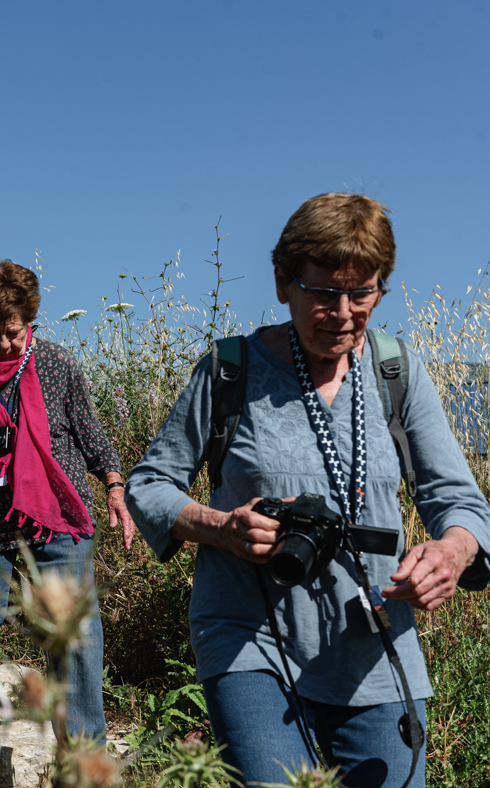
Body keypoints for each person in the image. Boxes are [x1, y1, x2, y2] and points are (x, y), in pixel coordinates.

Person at [125, 193, 490, 787]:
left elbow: (461, 501)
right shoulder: (229, 370)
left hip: (372, 646)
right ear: (282, 283)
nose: (343, 313)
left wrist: (453, 551)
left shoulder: (398, 373)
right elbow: (150, 484)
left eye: (363, 293)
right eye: (322, 292)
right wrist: (221, 526)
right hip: (250, 638)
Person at [0, 260, 134, 742]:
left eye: (13, 332)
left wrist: (114, 486)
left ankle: (81, 752)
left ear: (28, 321)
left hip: (52, 516)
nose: (3, 344)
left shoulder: (56, 364)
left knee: (72, 637)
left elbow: (90, 432)